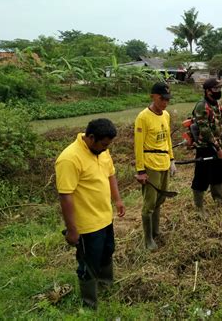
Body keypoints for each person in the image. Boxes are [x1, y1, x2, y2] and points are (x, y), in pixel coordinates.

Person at [55, 118, 126, 309]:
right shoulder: (69, 159)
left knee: (107, 251)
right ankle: (89, 304)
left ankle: (106, 286)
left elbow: (110, 175)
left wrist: (117, 200)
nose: (106, 148)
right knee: (89, 263)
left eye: (108, 145)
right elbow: (66, 196)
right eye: (104, 144)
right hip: (86, 225)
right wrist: (72, 230)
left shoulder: (101, 151)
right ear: (91, 137)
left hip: (105, 217)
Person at [134, 82, 176, 251]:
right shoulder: (143, 117)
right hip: (150, 164)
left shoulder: (166, 115)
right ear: (153, 97)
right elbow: (138, 146)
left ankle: (156, 231)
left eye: (167, 99)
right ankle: (148, 238)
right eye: (162, 99)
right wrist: (141, 170)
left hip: (164, 162)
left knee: (161, 198)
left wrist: (172, 159)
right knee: (149, 203)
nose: (165, 103)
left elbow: (168, 139)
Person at [191, 78, 222, 216]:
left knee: (218, 174)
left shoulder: (217, 105)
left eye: (220, 88)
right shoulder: (201, 106)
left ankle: (218, 199)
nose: (219, 91)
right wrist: (217, 148)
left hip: (218, 146)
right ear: (208, 91)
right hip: (205, 147)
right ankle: (199, 207)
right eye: (216, 89)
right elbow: (205, 130)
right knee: (201, 177)